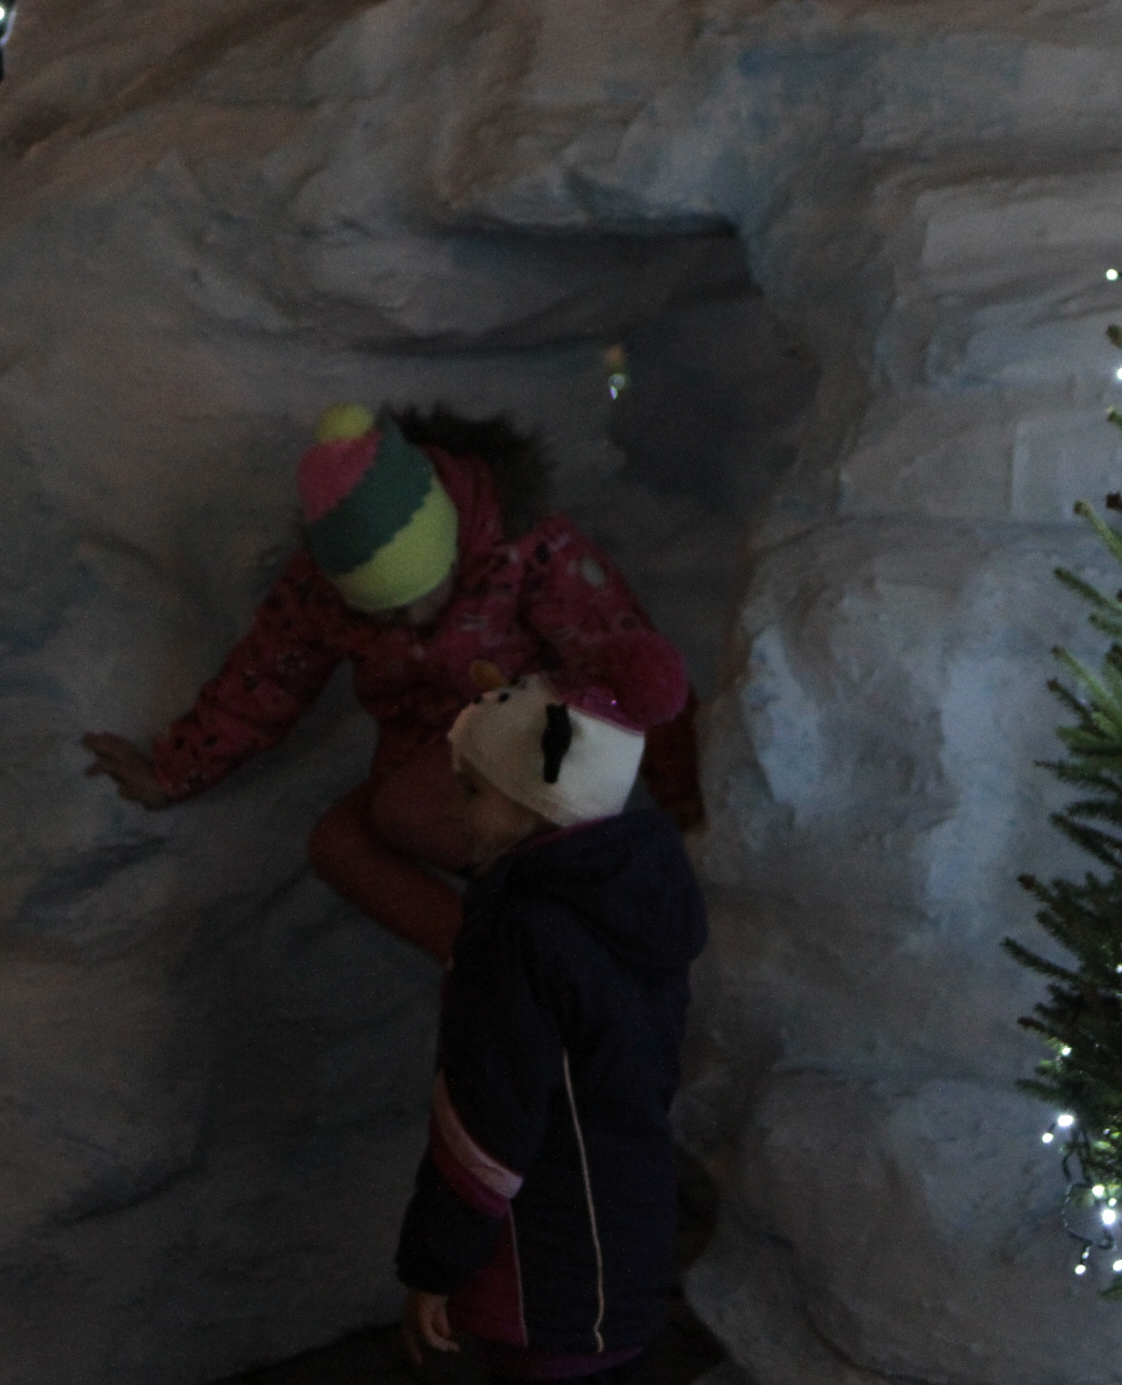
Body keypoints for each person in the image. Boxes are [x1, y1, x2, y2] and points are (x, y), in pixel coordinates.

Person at [81, 402, 701, 964]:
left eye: (423, 591)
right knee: (339, 845)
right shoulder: (319, 592)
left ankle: (576, 913)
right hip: (430, 750)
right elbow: (263, 679)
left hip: (530, 739)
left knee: (405, 809)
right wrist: (174, 770)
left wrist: (686, 793)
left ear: (451, 542)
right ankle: (486, 962)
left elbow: (625, 651)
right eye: (384, 610)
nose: (411, 619)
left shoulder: (521, 545)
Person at [395, 664, 707, 1382]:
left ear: (536, 802)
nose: (452, 810)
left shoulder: (520, 935)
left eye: (472, 790)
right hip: (624, 1235)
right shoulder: (631, 904)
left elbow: (486, 1123)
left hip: (545, 1256)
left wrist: (433, 1267)